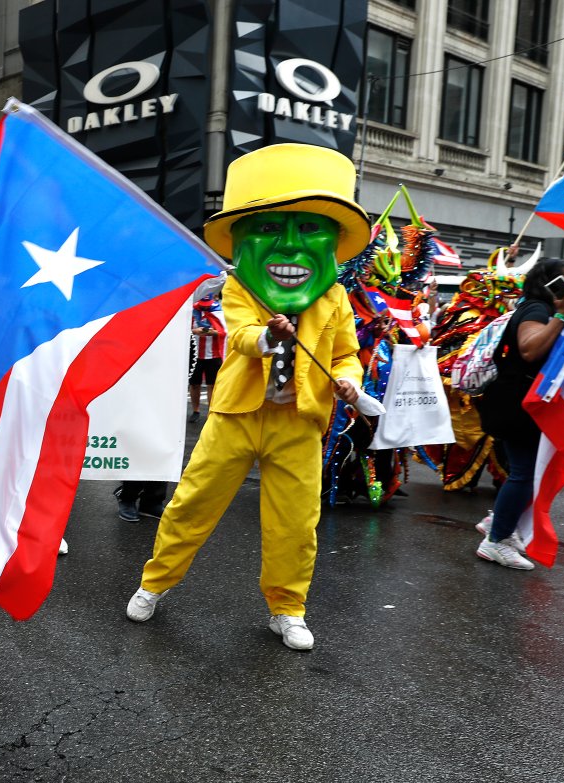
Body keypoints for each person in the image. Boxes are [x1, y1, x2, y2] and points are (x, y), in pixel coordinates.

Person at [124, 143, 365, 651]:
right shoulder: (242, 288)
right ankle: (154, 583)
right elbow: (240, 337)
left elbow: (346, 353)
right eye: (274, 228)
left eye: (308, 228)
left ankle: (288, 608)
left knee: (296, 523)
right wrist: (269, 337)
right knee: (192, 504)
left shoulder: (336, 297)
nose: (291, 246)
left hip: (299, 422)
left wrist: (351, 381)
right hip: (236, 414)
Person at [473, 259, 564, 569]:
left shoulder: (541, 309)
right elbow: (530, 350)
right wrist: (562, 314)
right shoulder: (537, 310)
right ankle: (495, 540)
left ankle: (498, 524)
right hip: (517, 404)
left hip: (520, 402)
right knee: (524, 473)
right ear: (550, 284)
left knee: (527, 472)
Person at [188, 293, 225, 421]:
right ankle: (195, 411)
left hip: (213, 355)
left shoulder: (218, 311)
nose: (204, 309)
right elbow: (184, 329)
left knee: (212, 385)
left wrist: (207, 331)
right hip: (195, 355)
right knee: (194, 384)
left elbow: (224, 331)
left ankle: (211, 412)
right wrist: (194, 331)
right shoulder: (192, 311)